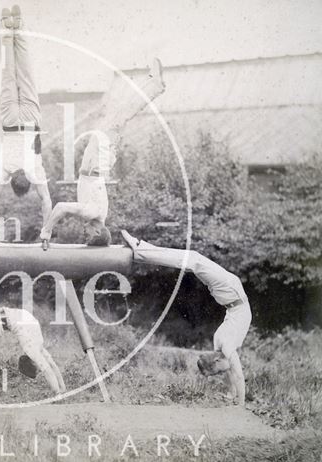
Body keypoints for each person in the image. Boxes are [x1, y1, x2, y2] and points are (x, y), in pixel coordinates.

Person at [39, 59, 166, 247]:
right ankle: (154, 86)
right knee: (121, 115)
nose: (84, 233)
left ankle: (151, 84)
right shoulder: (92, 213)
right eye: (88, 235)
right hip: (98, 161)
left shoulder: (99, 216)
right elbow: (60, 207)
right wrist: (46, 231)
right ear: (98, 230)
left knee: (116, 114)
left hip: (98, 161)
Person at [120, 230, 251, 406]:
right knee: (193, 259)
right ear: (216, 359)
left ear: (216, 359)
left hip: (229, 296)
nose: (222, 374)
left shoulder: (221, 345)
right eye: (218, 373)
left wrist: (234, 398)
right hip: (230, 295)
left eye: (216, 373)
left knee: (193, 259)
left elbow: (233, 374)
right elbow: (236, 374)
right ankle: (141, 250)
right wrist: (238, 402)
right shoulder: (225, 348)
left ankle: (141, 250)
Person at [0, 5, 52, 239]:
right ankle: (8, 26)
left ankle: (16, 26)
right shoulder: (4, 171)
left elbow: (46, 200)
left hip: (27, 121)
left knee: (22, 71)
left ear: (20, 180)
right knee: (8, 71)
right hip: (11, 122)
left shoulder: (35, 172)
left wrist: (47, 229)